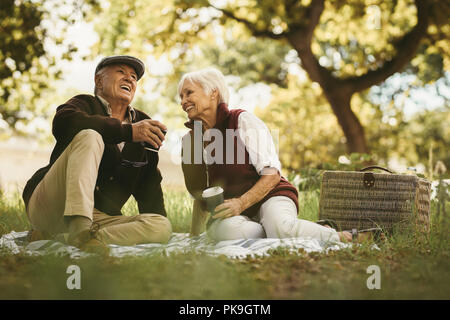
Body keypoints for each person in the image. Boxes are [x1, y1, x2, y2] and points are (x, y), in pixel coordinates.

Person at [178, 67, 377, 243]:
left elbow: (271, 175)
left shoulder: (242, 121)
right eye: (181, 97)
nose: (183, 101)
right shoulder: (191, 142)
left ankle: (343, 237)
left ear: (213, 93)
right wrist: (194, 239)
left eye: (189, 93)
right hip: (235, 215)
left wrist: (241, 203)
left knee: (278, 225)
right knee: (223, 232)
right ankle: (296, 231)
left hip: (271, 196)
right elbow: (200, 195)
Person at [23, 55, 172, 254]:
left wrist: (160, 229)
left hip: (99, 217)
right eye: (121, 72)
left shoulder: (144, 122)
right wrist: (128, 132)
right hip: (52, 204)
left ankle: (78, 239)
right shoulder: (83, 104)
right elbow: (63, 123)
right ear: (99, 81)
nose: (129, 79)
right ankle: (79, 229)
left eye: (134, 77)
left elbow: (149, 183)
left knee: (161, 225)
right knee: (90, 136)